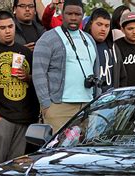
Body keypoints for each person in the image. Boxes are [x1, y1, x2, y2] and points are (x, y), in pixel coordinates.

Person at [0, 11, 39, 167]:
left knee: (18, 165)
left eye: (10, 26)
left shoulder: (26, 52)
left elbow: (37, 81)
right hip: (2, 116)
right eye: (2, 28)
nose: (7, 31)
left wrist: (27, 77)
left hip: (25, 117)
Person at [33, 0, 99, 133]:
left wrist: (96, 98)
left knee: (85, 151)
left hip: (88, 104)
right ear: (62, 14)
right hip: (59, 106)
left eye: (77, 14)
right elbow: (38, 72)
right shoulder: (49, 38)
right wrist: (46, 105)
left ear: (83, 15)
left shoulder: (89, 39)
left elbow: (95, 69)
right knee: (59, 151)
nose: (73, 17)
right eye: (69, 13)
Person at [83, 8, 127, 93]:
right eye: (99, 24)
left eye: (107, 26)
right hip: (87, 101)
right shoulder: (82, 46)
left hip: (110, 102)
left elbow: (122, 77)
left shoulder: (113, 48)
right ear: (91, 24)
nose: (103, 29)